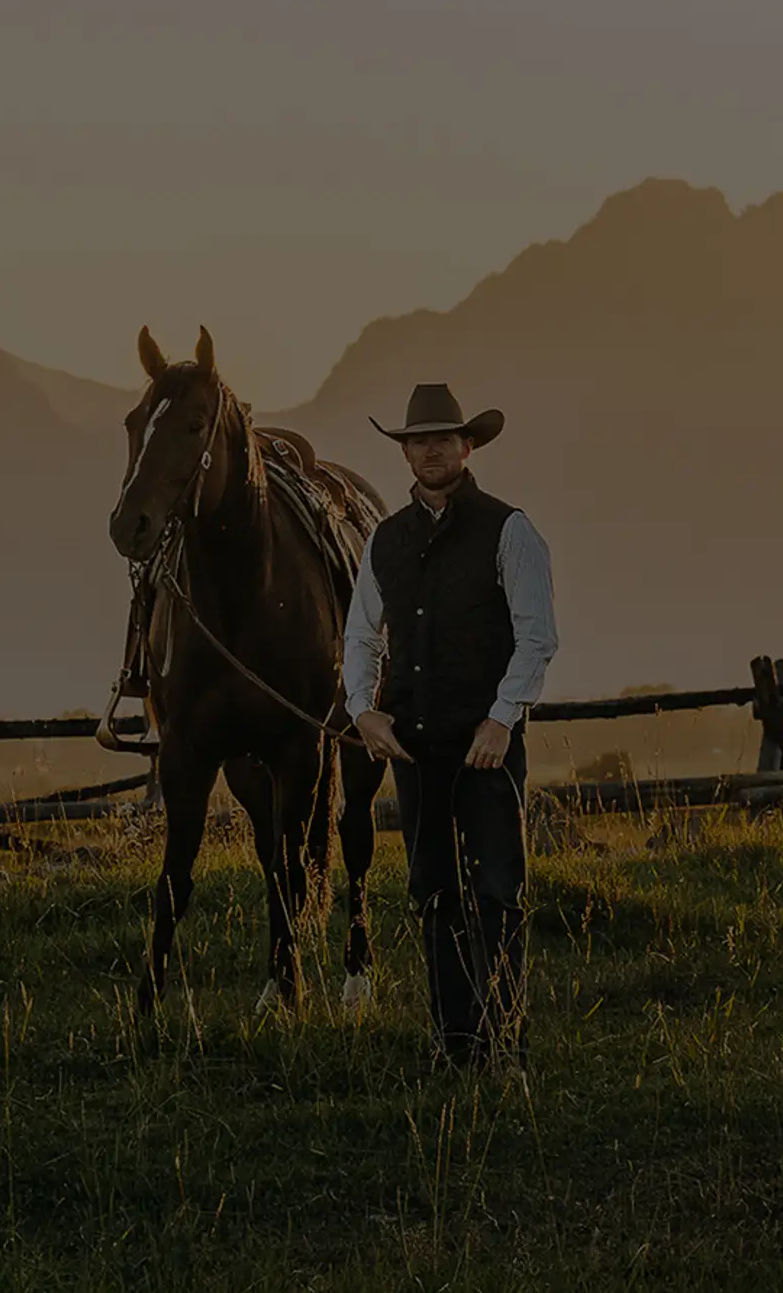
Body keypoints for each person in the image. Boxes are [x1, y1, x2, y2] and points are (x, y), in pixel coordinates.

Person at [342, 383, 557, 1070]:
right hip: (414, 744)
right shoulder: (385, 541)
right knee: (433, 890)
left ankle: (506, 1040)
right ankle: (454, 1043)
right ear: (405, 452)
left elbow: (537, 636)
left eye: (443, 437)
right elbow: (360, 637)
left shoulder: (508, 528)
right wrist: (361, 707)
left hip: (485, 743)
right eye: (418, 439)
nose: (430, 448)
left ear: (467, 446)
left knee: (496, 888)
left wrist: (501, 719)